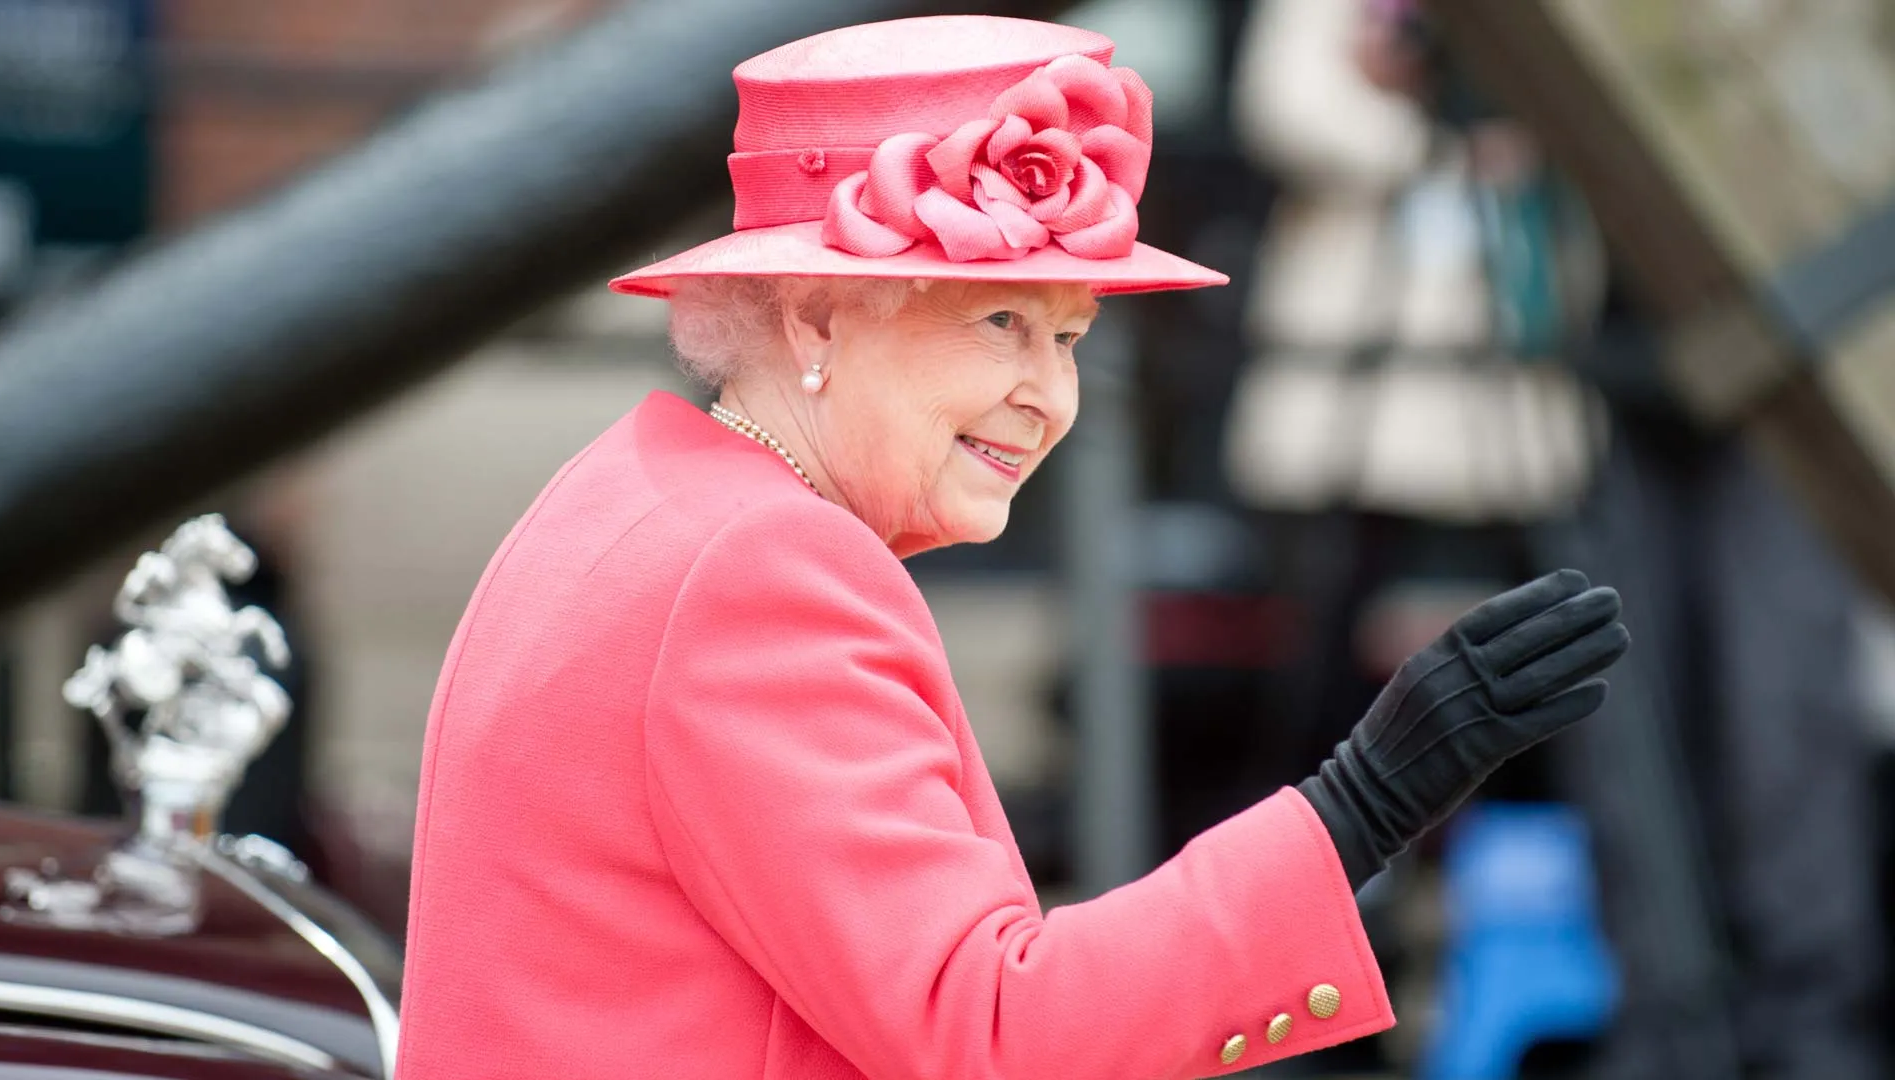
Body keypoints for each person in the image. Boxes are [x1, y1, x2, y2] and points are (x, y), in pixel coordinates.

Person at [392, 16, 1628, 1080]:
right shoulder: (765, 572)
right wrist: (1360, 805)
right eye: (999, 322)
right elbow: (997, 1033)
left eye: (1070, 335)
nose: (1051, 397)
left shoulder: (645, 495)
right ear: (818, 315)